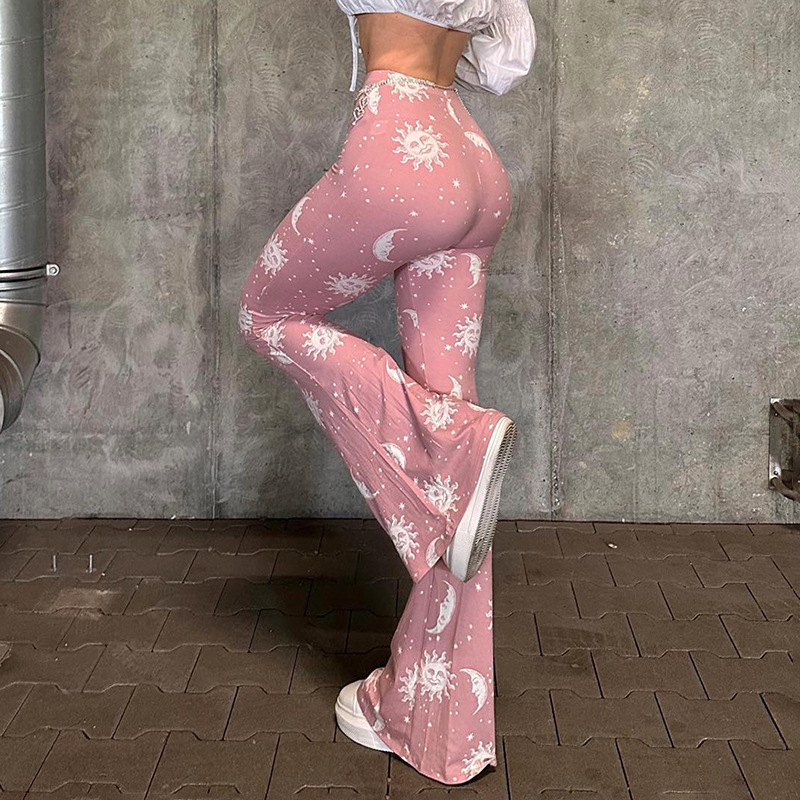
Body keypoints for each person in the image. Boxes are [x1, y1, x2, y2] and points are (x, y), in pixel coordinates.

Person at [238, 0, 536, 785]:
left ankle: (455, 447)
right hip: (470, 154)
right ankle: (436, 724)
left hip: (401, 148)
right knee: (456, 491)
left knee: (268, 314)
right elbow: (505, 63)